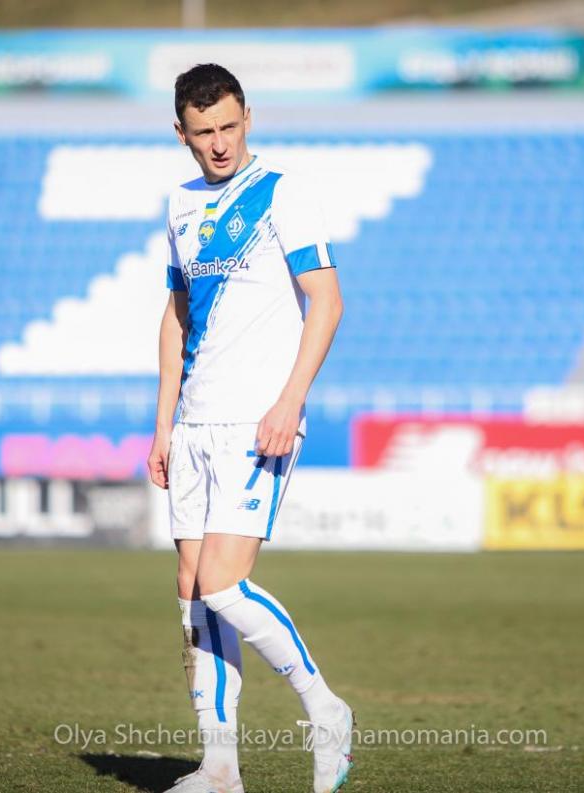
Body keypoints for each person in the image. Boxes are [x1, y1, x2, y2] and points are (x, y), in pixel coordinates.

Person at [147, 64, 352, 793]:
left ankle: (325, 709)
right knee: (191, 589)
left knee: (223, 583)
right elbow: (176, 318)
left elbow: (326, 301)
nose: (219, 143)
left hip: (256, 418)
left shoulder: (282, 193)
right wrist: (164, 423)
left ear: (248, 118)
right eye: (203, 131)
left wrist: (290, 401)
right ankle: (220, 767)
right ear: (181, 134)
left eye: (229, 126)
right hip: (194, 421)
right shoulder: (179, 203)